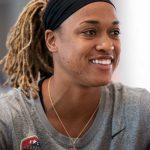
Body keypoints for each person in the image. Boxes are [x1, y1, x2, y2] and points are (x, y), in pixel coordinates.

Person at [0, 0, 150, 149]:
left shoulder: (140, 111)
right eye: (90, 32)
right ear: (52, 41)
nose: (108, 45)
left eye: (114, 32)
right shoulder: (9, 118)